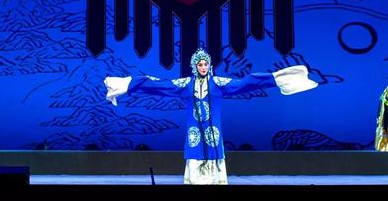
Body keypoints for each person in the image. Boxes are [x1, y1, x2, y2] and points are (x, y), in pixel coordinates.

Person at [104, 48, 318, 184]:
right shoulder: (186, 84)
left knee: (214, 148)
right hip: (195, 131)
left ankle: (216, 180)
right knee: (195, 147)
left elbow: (247, 83)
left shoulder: (218, 83)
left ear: (210, 66)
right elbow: (158, 85)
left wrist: (276, 78)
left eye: (206, 64)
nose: (203, 67)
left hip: (213, 131)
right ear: (194, 66)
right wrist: (128, 84)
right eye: (200, 64)